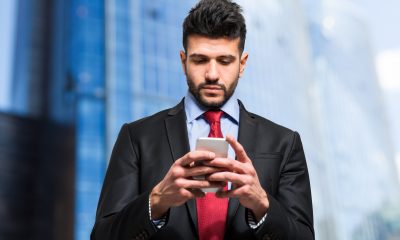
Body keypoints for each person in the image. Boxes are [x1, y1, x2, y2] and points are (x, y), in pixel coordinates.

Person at [91, 0, 314, 239]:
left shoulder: (284, 143)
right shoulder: (137, 138)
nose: (212, 74)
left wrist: (262, 203)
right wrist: (157, 200)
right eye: (199, 60)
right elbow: (102, 235)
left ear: (242, 63)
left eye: (225, 61)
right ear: (183, 61)